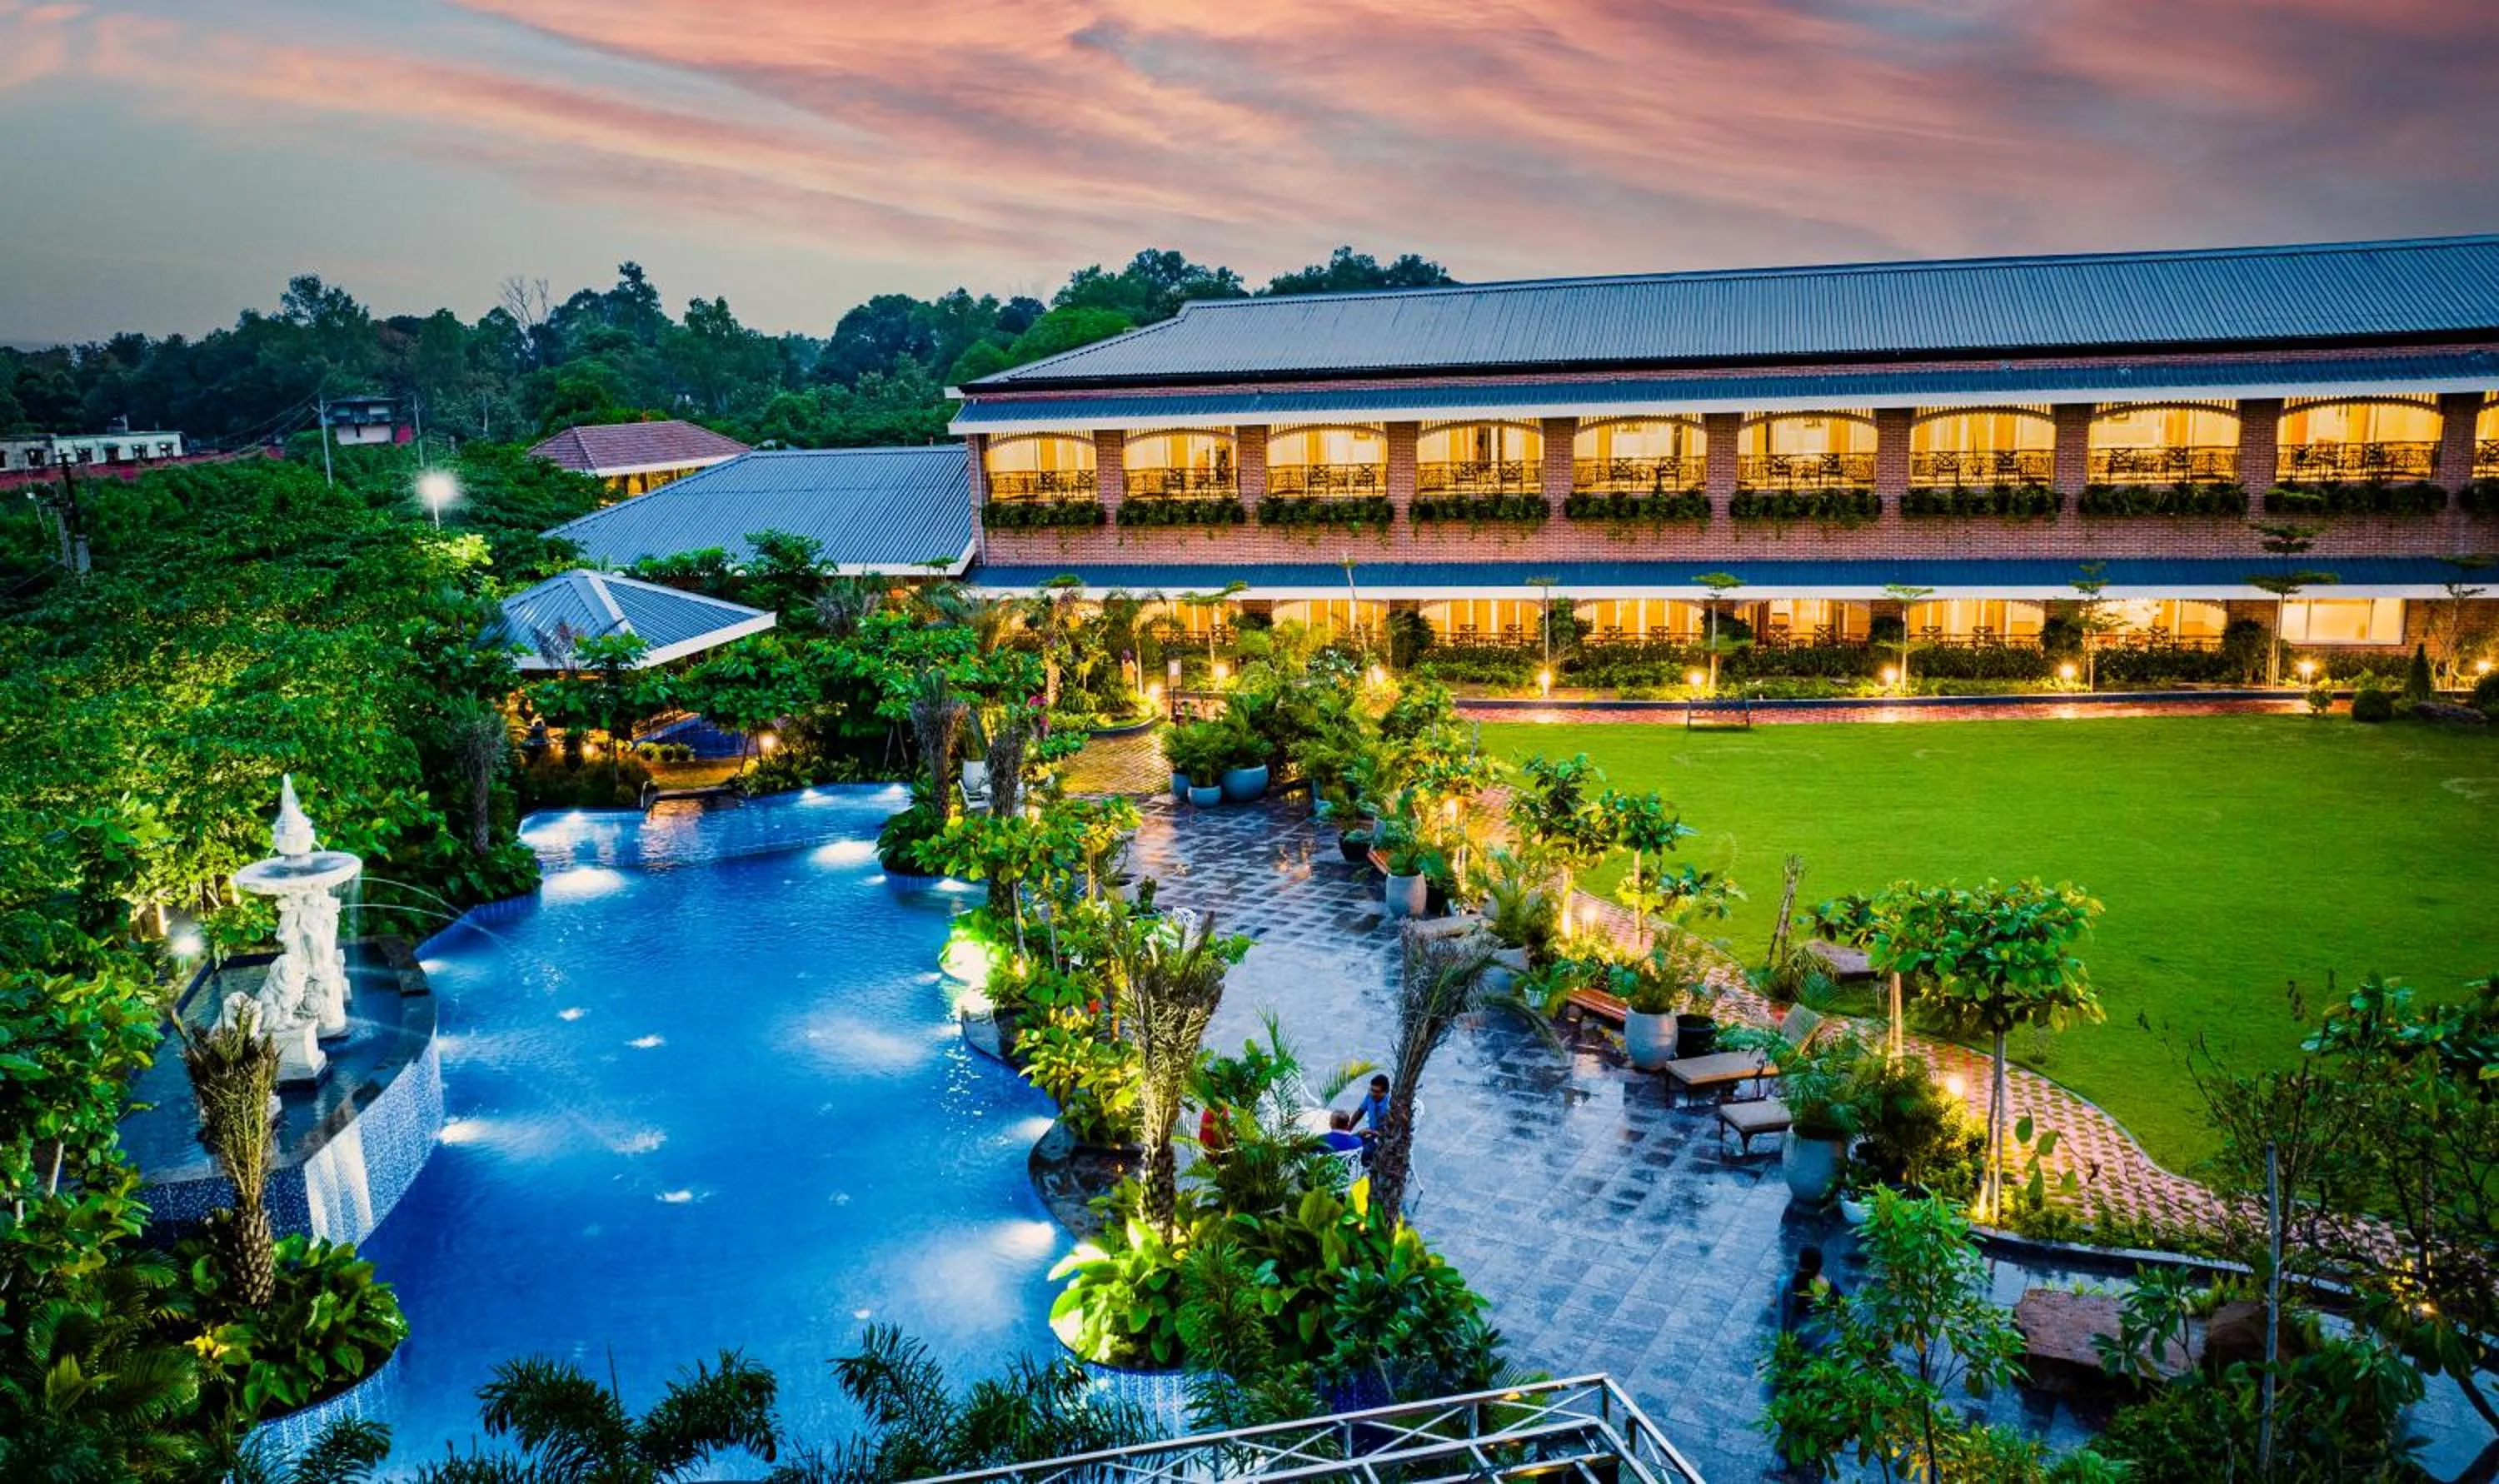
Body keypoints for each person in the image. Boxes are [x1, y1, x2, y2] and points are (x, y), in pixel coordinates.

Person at [1781, 1246, 1840, 1352]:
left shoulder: (1789, 1284)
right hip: (1818, 1343)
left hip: (1793, 1338)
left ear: (1800, 1264)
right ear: (1821, 1267)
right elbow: (1843, 1309)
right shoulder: (1829, 1287)